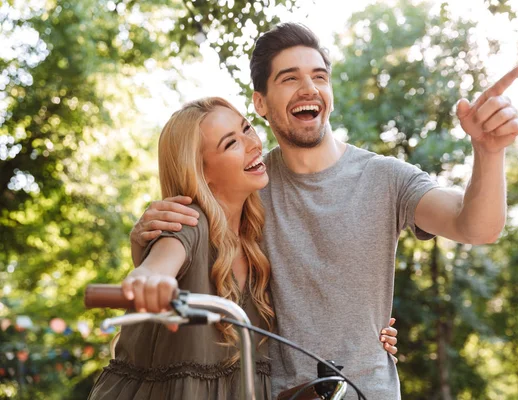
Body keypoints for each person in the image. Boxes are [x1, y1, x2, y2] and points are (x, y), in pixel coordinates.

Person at [130, 23, 518, 399]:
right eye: (289, 78)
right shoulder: (249, 188)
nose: (309, 89)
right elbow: (190, 249)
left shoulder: (386, 178)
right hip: (279, 394)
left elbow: (475, 226)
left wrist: (488, 151)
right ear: (261, 102)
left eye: (319, 76)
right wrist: (145, 247)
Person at [89, 97, 398, 400]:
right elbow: (158, 265)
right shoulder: (188, 222)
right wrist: (149, 281)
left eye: (247, 128)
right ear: (202, 172)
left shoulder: (258, 239)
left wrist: (368, 338)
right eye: (230, 143)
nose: (253, 144)